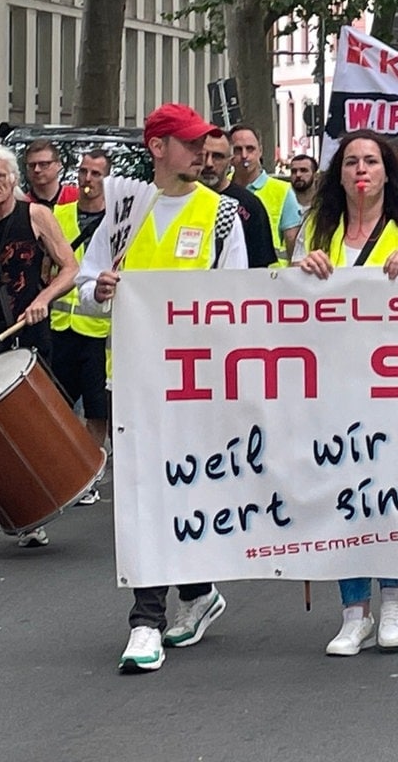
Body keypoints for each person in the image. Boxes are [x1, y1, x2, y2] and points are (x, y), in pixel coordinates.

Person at [76, 104, 248, 672]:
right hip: (130, 379)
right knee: (145, 494)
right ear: (158, 147)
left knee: (183, 490)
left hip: (194, 385)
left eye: (204, 144)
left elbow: (237, 305)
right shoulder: (124, 211)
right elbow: (84, 284)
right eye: (190, 143)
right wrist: (97, 290)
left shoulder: (223, 216)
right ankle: (150, 618)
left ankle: (192, 595)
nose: (202, 154)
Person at [295, 130, 398, 655]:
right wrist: (301, 270)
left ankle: (395, 597)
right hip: (332, 383)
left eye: (372, 161)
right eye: (351, 161)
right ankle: (353, 612)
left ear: (387, 173)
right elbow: (282, 301)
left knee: (389, 488)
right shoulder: (317, 228)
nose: (362, 170)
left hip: (395, 384)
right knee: (343, 494)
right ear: (339, 173)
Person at [0, 145, 81, 547]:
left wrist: (42, 299)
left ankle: (30, 512)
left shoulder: (35, 216)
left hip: (26, 334)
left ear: (14, 179)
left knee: (19, 427)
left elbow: (70, 268)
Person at [50, 149, 113, 495]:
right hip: (62, 328)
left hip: (98, 330)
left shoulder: (117, 219)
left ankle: (91, 471)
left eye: (95, 174)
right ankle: (71, 467)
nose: (87, 180)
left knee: (96, 408)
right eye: (84, 172)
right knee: (58, 404)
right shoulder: (60, 214)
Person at [201, 133, 278, 268]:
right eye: (203, 155)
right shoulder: (183, 200)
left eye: (217, 156)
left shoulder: (250, 205)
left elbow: (259, 266)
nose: (209, 163)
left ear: (230, 160)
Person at [227, 124, 301, 259]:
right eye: (237, 149)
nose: (244, 155)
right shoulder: (220, 189)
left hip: (269, 276)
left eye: (250, 149)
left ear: (260, 151)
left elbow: (295, 249)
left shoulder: (282, 191)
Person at [23, 138, 78, 207]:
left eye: (43, 164)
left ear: (58, 165)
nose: (36, 169)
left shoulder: (77, 198)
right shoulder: (21, 204)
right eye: (31, 165)